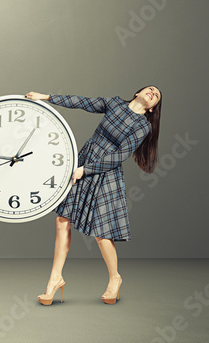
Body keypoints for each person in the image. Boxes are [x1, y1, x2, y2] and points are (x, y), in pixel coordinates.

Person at [25, 86, 162, 305]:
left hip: (106, 171)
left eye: (156, 95)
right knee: (62, 220)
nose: (153, 92)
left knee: (101, 232)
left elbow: (119, 155)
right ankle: (55, 279)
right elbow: (81, 101)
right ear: (137, 92)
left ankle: (115, 278)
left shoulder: (142, 126)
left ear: (153, 108)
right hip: (86, 158)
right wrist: (46, 97)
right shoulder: (115, 103)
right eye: (150, 89)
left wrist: (86, 170)